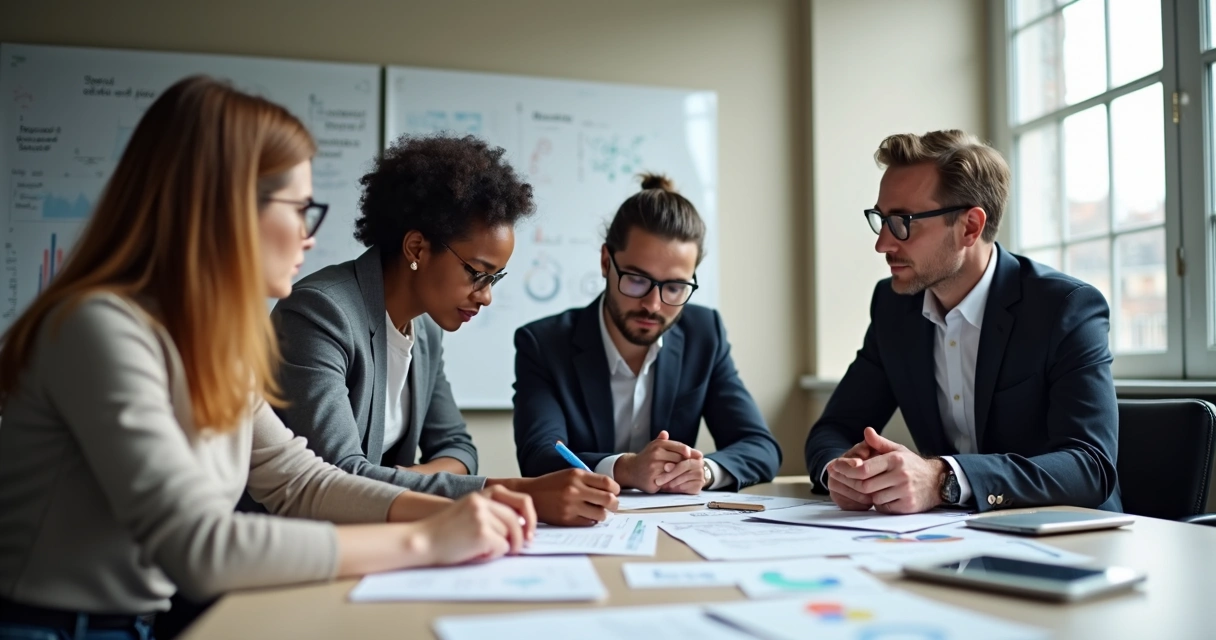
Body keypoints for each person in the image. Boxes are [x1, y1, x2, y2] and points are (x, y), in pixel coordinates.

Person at [0, 76, 535, 640]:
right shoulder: (99, 330)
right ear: (224, 208)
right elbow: (198, 546)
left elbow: (303, 482)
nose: (309, 237)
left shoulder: (215, 341)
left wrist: (462, 510)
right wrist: (427, 539)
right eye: (301, 209)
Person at [270, 134, 620, 527]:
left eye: (494, 279)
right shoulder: (321, 313)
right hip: (294, 548)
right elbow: (338, 480)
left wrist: (393, 482)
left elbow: (459, 448)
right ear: (417, 248)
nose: (485, 297)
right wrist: (517, 492)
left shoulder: (425, 330)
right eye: (476, 274)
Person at [804, 129, 1121, 515]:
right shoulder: (894, 307)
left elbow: (1089, 468)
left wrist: (942, 480)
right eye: (881, 219)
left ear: (970, 226)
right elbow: (833, 429)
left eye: (902, 221)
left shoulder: (1065, 308)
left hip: (1068, 542)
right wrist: (840, 472)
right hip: (948, 540)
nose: (883, 244)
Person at [513, 174, 781, 494]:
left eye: (674, 286)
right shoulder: (543, 344)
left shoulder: (704, 334)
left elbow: (759, 446)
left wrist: (705, 471)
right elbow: (539, 456)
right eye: (637, 280)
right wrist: (626, 468)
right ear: (605, 262)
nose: (653, 305)